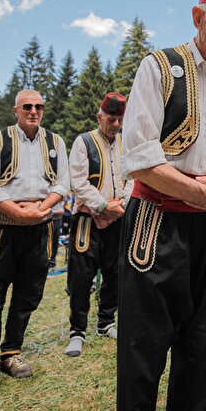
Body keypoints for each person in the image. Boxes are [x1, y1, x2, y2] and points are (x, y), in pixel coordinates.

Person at [118, 0, 206, 411]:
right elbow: (138, 159)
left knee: (201, 340)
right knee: (145, 343)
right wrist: (202, 194)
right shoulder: (159, 67)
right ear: (199, 17)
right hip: (157, 224)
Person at [0, 89, 69, 395]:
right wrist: (18, 213)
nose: (33, 111)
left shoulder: (55, 141)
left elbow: (63, 183)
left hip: (40, 226)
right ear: (15, 109)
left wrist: (39, 209)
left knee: (28, 295)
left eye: (39, 106)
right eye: (27, 106)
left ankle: (10, 352)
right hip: (2, 226)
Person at [64, 92, 132, 358]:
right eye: (111, 119)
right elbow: (77, 182)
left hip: (118, 215)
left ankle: (106, 323)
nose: (115, 125)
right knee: (81, 276)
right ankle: (77, 331)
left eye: (119, 120)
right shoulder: (84, 141)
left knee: (115, 272)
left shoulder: (125, 143)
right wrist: (104, 205)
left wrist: (122, 202)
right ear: (99, 117)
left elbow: (132, 177)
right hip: (88, 218)